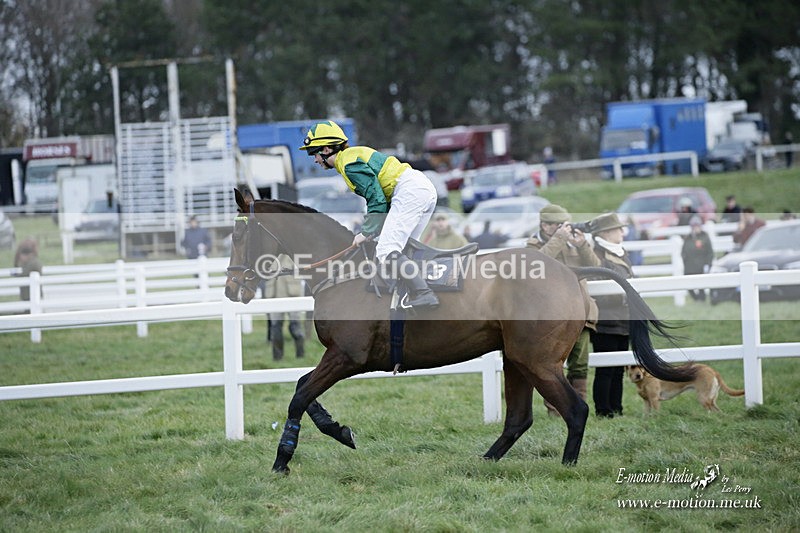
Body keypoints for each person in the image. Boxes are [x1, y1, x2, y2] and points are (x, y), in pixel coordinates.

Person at [300, 120, 439, 310]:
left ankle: (424, 294)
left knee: (387, 250)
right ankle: (411, 295)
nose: (314, 160)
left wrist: (365, 232)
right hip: (419, 188)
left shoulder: (348, 164)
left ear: (325, 149)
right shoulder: (350, 157)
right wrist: (374, 231)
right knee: (404, 249)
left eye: (313, 153)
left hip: (410, 191)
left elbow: (377, 199)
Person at [526, 204, 599, 412]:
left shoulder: (574, 244)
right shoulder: (533, 245)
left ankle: (579, 407)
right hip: (550, 316)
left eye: (563, 225)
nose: (561, 229)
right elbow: (535, 265)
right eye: (556, 226)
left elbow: (597, 268)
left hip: (580, 311)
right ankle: (554, 409)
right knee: (550, 365)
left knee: (580, 364)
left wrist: (583, 245)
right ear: (544, 225)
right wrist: (558, 239)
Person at [588, 213, 633, 418]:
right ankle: (603, 410)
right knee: (606, 368)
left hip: (623, 317)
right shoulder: (596, 254)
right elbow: (597, 283)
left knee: (618, 368)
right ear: (605, 232)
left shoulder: (620, 252)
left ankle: (617, 407)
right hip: (606, 318)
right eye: (618, 229)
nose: (622, 232)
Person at [262, 254, 305, 361]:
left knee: (295, 326)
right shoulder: (268, 254)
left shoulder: (293, 249)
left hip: (292, 294)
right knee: (275, 328)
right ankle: (277, 357)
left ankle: (300, 355)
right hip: (274, 294)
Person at [681, 216, 714, 302]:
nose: (695, 228)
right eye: (693, 226)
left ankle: (701, 300)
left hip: (701, 266)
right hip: (689, 266)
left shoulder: (704, 237)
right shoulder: (688, 238)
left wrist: (708, 264)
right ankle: (696, 299)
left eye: (697, 226)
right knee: (688, 285)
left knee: (701, 286)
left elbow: (710, 252)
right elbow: (683, 251)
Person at [14, 239, 43, 303]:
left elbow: (22, 275)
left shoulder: (32, 264)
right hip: (29, 294)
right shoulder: (31, 263)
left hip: (29, 295)